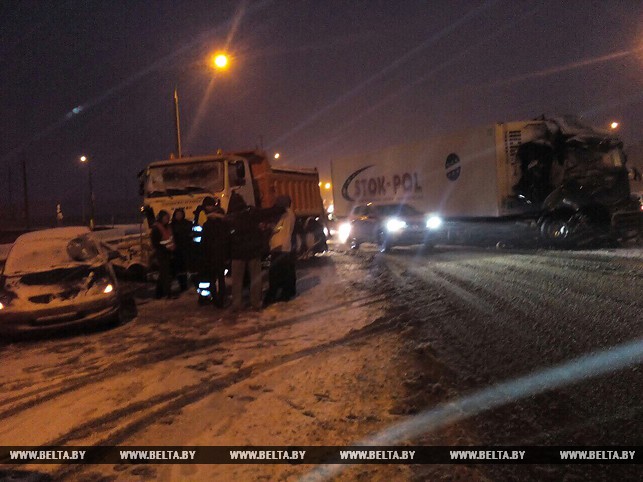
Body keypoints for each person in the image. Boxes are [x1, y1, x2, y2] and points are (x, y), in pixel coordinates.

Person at [225, 192, 283, 312]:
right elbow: (268, 212)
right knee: (255, 278)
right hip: (253, 251)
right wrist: (280, 207)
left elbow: (226, 238)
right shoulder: (252, 213)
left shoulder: (230, 218)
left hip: (237, 254)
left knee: (237, 280)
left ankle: (237, 303)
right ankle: (256, 302)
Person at [264, 195, 297, 305]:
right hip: (286, 245)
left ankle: (276, 295)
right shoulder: (291, 213)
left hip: (278, 246)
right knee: (287, 271)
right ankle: (287, 292)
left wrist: (269, 228)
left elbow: (278, 227)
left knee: (275, 272)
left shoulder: (283, 214)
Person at [200, 196, 229, 307]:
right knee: (220, 278)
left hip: (211, 255)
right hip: (220, 253)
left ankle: (216, 299)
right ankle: (220, 299)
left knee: (212, 278)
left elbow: (204, 241)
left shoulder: (207, 224)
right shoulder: (223, 221)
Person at [150, 210, 175, 299]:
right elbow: (155, 243)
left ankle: (158, 294)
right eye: (165, 218)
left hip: (168, 253)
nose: (167, 220)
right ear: (161, 218)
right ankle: (168, 293)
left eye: (168, 218)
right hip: (162, 254)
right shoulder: (156, 229)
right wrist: (164, 249)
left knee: (163, 274)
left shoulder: (168, 227)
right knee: (165, 274)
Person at [171, 208, 192, 292]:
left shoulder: (187, 223)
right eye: (177, 214)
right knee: (179, 269)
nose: (179, 216)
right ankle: (181, 285)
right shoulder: (172, 225)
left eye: (180, 214)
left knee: (185, 268)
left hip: (185, 249)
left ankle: (186, 285)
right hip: (176, 250)